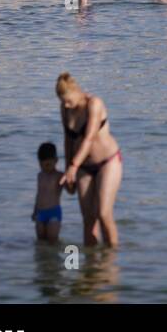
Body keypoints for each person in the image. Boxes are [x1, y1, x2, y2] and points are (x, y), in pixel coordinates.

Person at [57, 73, 123, 247]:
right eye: (62, 100)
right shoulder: (65, 109)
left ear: (77, 91)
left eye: (68, 99)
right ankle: (91, 267)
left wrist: (73, 166)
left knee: (103, 213)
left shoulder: (94, 104)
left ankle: (110, 259)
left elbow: (89, 138)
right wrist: (68, 171)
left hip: (107, 162)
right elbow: (68, 140)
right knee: (88, 219)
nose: (65, 104)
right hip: (83, 167)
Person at [32, 142, 63, 243]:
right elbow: (39, 194)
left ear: (56, 161)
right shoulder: (40, 175)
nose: (45, 168)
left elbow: (71, 188)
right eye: (42, 165)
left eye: (48, 165)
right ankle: (42, 258)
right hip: (40, 213)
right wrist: (35, 210)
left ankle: (53, 258)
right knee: (40, 240)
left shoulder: (59, 176)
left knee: (52, 240)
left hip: (53, 212)